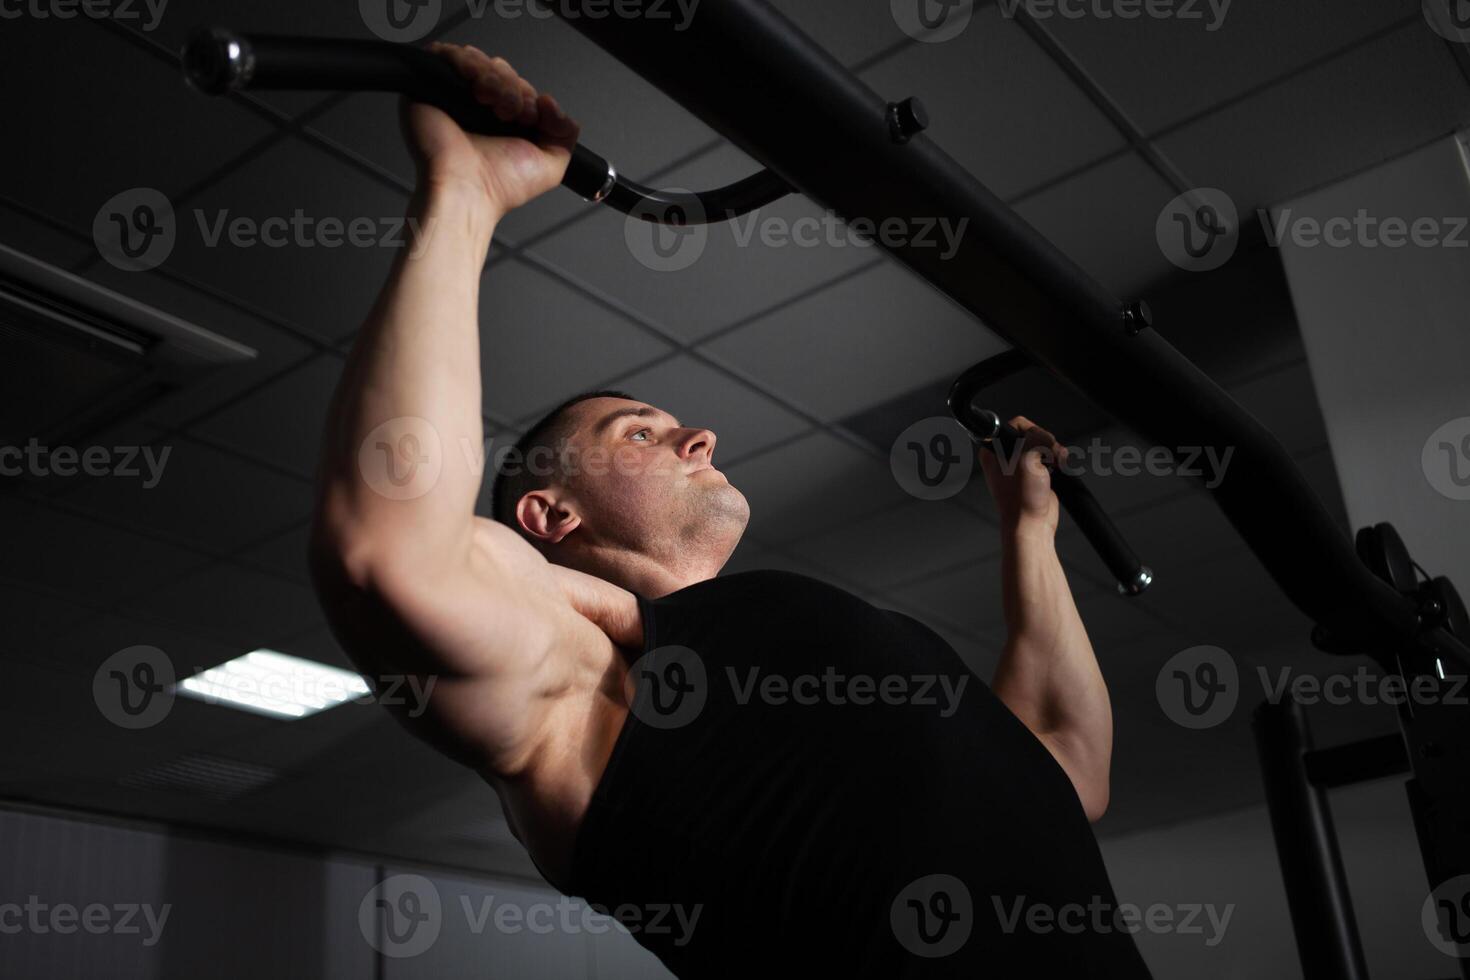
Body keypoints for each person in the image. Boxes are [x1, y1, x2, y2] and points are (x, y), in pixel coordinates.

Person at [309, 41, 1151, 977]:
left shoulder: (790, 637)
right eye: (637, 433)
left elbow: (1071, 764)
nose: (698, 437)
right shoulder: (584, 680)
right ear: (549, 519)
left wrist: (1028, 533)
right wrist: (464, 197)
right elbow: (392, 558)